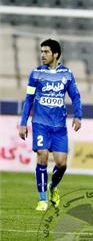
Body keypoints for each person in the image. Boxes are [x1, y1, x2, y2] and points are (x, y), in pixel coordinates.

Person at [19, 39, 82, 211]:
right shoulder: (36, 74)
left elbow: (75, 96)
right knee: (43, 155)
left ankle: (53, 187)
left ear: (55, 54)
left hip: (59, 127)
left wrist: (78, 115)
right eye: (41, 51)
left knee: (62, 164)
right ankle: (42, 200)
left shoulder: (67, 74)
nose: (42, 55)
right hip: (40, 123)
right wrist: (23, 123)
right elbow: (29, 99)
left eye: (46, 52)